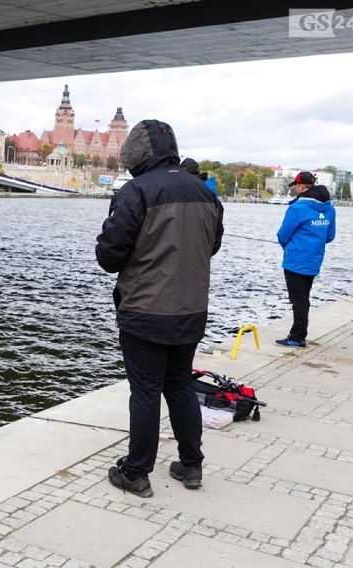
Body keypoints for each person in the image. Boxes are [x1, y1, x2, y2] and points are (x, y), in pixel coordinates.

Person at [95, 120, 224, 498]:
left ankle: (136, 472)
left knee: (147, 390)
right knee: (180, 384)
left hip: (146, 308)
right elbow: (211, 245)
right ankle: (191, 464)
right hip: (191, 309)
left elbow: (109, 255)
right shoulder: (204, 193)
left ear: (137, 153)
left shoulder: (136, 192)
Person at [275, 171, 336, 348]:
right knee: (304, 297)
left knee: (298, 300)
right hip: (314, 259)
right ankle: (299, 334)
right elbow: (330, 236)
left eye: (295, 186)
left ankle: (297, 336)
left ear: (301, 186)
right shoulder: (329, 208)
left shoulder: (298, 208)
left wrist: (293, 246)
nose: (295, 189)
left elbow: (283, 235)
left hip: (296, 260)